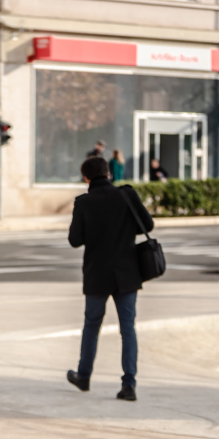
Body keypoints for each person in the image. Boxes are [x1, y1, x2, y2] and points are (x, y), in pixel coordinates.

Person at [66, 156, 154, 402]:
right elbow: (147, 224)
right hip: (127, 272)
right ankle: (129, 385)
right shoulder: (127, 195)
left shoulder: (83, 202)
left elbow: (75, 240)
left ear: (86, 178)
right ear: (108, 173)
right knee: (128, 327)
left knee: (92, 326)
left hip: (97, 273)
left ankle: (83, 376)